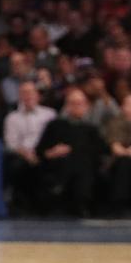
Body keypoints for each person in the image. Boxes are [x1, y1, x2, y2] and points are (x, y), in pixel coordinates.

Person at [36, 88, 106, 217]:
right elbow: (40, 150)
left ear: (86, 106)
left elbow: (99, 151)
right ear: (67, 106)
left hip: (85, 168)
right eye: (72, 103)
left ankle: (79, 202)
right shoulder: (55, 125)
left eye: (79, 103)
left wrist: (75, 152)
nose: (76, 107)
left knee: (81, 164)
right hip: (57, 165)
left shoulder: (91, 129)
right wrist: (52, 152)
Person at [2, 81, 57, 212]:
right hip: (22, 154)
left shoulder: (50, 115)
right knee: (16, 164)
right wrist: (27, 154)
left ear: (38, 95)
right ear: (19, 96)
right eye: (24, 93)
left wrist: (43, 153)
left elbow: (56, 137)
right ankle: (19, 201)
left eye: (31, 92)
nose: (28, 96)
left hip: (46, 153)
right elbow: (11, 143)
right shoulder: (12, 118)